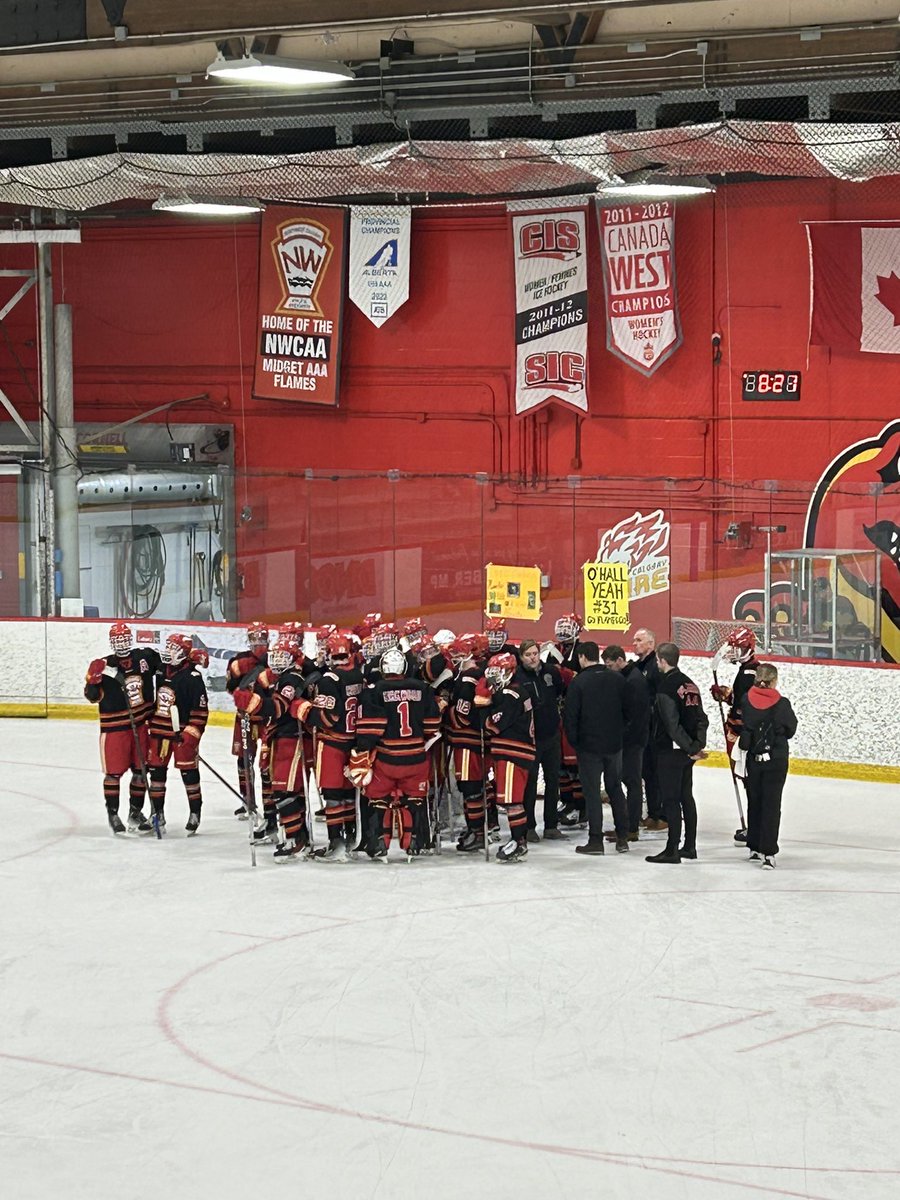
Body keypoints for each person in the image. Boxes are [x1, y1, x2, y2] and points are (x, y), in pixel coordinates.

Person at [349, 646, 442, 860]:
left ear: (382, 668)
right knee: (416, 800)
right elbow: (432, 724)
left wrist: (361, 751)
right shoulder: (423, 689)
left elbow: (371, 728)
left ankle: (378, 844)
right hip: (417, 758)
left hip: (386, 759)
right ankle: (415, 843)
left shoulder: (374, 691)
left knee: (378, 800)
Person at [238, 633, 315, 862]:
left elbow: (279, 707)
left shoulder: (291, 680)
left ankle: (295, 839)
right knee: (289, 790)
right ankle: (299, 836)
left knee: (284, 790)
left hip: (293, 739)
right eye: (276, 656)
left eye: (283, 656)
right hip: (283, 737)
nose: (278, 660)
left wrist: (254, 704)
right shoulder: (284, 677)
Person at [83, 621, 160, 835]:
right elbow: (92, 697)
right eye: (117, 640)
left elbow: (166, 668)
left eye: (125, 638)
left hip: (141, 725)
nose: (122, 644)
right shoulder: (103, 665)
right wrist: (92, 680)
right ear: (111, 642)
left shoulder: (144, 657)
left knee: (140, 771)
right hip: (115, 730)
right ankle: (113, 813)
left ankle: (135, 812)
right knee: (113, 774)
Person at [563, 640, 632, 856]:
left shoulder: (579, 682)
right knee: (615, 789)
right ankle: (623, 838)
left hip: (589, 747)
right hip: (614, 745)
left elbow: (570, 717)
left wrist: (576, 743)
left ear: (582, 657)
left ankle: (595, 841)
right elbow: (629, 711)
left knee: (592, 793)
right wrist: (620, 734)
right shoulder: (617, 679)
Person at [646, 642, 708, 865]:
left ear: (662, 660)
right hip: (686, 753)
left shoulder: (666, 688)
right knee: (686, 797)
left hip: (671, 752)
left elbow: (671, 726)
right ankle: (689, 846)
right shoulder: (690, 684)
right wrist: (697, 745)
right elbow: (702, 718)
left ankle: (672, 849)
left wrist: (690, 747)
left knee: (671, 800)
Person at [305, 632, 366, 860]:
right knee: (349, 793)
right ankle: (351, 837)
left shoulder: (329, 680)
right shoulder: (359, 677)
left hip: (332, 743)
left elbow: (328, 718)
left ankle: (335, 843)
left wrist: (304, 710)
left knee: (332, 794)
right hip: (353, 744)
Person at [477, 652, 536, 863]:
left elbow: (493, 725)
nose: (493, 678)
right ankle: (518, 840)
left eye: (498, 673)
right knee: (510, 800)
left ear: (510, 672)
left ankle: (519, 842)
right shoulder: (514, 691)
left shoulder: (512, 695)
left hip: (514, 753)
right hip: (512, 752)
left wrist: (483, 706)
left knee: (512, 801)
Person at [147, 633, 209, 834]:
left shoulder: (193, 678)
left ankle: (195, 812)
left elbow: (200, 711)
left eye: (175, 649)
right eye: (169, 647)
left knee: (189, 773)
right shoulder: (159, 671)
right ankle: (157, 814)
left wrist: (191, 735)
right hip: (159, 731)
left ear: (184, 654)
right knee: (156, 774)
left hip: (181, 734)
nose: (170, 652)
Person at [738, 663, 797, 869]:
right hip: (776, 759)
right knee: (771, 805)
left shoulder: (746, 699)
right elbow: (790, 729)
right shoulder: (781, 704)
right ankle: (768, 851)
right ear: (773, 681)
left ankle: (753, 846)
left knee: (754, 800)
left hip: (753, 759)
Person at [710, 625, 759, 845]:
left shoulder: (749, 674)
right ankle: (754, 826)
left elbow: (745, 710)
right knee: (748, 781)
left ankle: (754, 828)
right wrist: (727, 695)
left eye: (738, 648)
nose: (734, 652)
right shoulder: (748, 671)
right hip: (744, 735)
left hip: (744, 737)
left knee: (749, 781)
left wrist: (733, 729)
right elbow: (741, 701)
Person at [514, 638, 565, 841]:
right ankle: (529, 827)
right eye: (528, 655)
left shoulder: (551, 672)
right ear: (521, 657)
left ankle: (551, 825)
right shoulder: (517, 677)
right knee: (530, 783)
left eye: (535, 653)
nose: (533, 657)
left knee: (554, 780)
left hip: (552, 735)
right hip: (530, 739)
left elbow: (560, 692)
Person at [601, 644, 651, 843]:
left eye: (611, 665)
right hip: (631, 739)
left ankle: (630, 828)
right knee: (630, 781)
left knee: (631, 781)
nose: (609, 669)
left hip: (632, 741)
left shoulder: (633, 681)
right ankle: (629, 825)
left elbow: (635, 716)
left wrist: (621, 737)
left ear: (620, 661)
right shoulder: (629, 677)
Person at [225, 621, 271, 819]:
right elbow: (230, 688)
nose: (258, 643)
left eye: (261, 638)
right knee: (244, 761)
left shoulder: (276, 658)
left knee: (267, 762)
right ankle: (247, 799)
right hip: (245, 718)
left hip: (268, 719)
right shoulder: (238, 661)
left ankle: (272, 802)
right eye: (254, 638)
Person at [633, 627, 665, 830]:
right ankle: (653, 813)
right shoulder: (638, 666)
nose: (634, 643)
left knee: (655, 772)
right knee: (646, 772)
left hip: (655, 729)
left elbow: (660, 697)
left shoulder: (655, 666)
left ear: (650, 644)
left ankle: (661, 815)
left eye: (639, 640)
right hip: (643, 728)